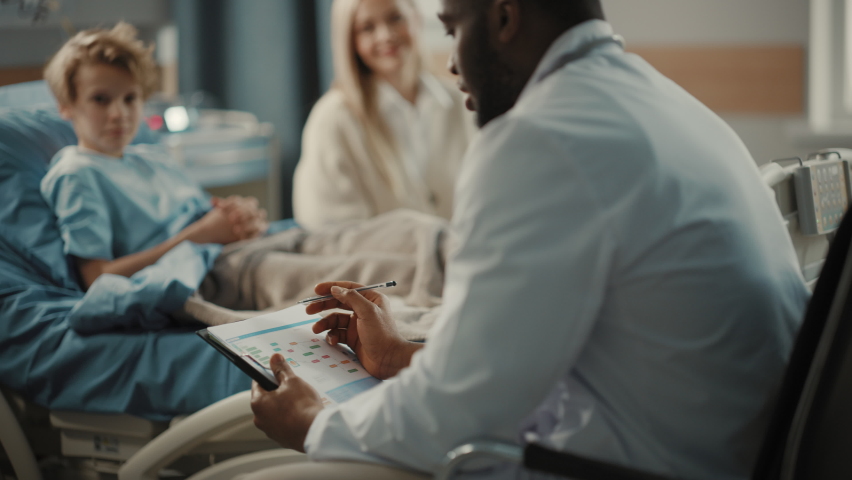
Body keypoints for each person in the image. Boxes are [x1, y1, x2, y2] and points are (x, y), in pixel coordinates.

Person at [246, 0, 811, 479]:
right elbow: (534, 353)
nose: (448, 61)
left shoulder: (540, 137)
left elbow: (457, 416)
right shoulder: (673, 105)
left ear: (505, 17)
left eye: (453, 29)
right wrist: (398, 356)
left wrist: (316, 423)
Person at [40, 22, 268, 290]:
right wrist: (200, 236)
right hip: (205, 275)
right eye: (101, 99)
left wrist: (240, 219)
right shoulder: (77, 173)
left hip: (236, 253)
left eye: (130, 98)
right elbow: (97, 278)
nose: (119, 114)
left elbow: (207, 215)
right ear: (66, 105)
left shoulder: (154, 159)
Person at [292, 0, 475, 231]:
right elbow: (329, 234)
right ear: (351, 40)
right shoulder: (332, 121)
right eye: (367, 28)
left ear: (416, 18)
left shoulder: (463, 102)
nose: (385, 35)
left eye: (395, 18)